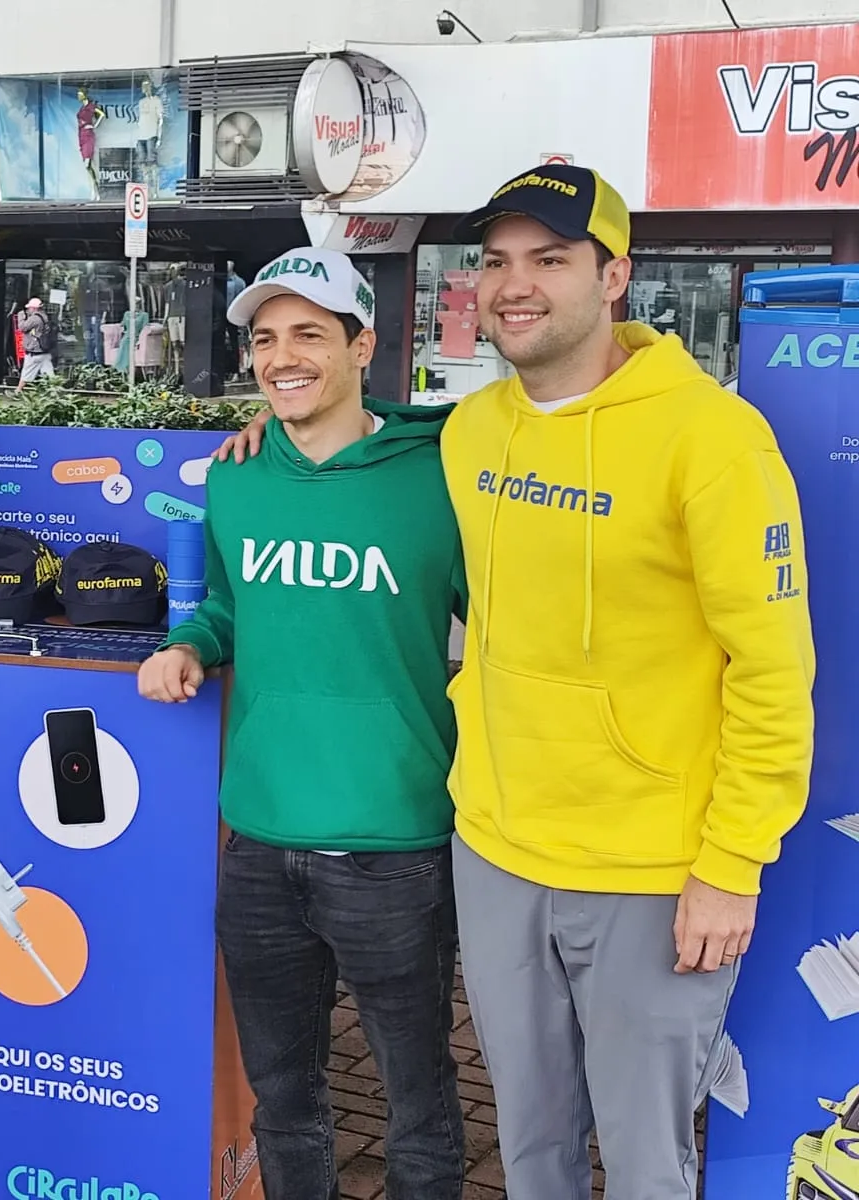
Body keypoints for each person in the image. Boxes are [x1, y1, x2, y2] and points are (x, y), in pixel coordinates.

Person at [216, 165, 816, 1199]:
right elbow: (363, 437)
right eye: (495, 261)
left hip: (647, 867)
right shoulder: (474, 428)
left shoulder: (712, 438)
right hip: (493, 850)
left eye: (549, 258)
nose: (514, 284)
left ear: (613, 275)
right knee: (530, 1148)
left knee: (644, 1160)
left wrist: (732, 861)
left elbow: (771, 671)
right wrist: (278, 431)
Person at [140, 247, 466, 1200]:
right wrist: (193, 644)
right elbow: (231, 606)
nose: (282, 357)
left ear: (363, 346)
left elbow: (505, 632)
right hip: (259, 842)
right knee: (283, 1100)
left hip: (396, 846)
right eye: (266, 338)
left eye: (310, 335)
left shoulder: (443, 478)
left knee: (418, 1105)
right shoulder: (236, 477)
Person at [16, 297, 54, 388]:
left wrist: (21, 316)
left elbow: (22, 327)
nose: (28, 310)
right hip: (44, 351)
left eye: (29, 308)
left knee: (26, 374)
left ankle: (17, 391)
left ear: (34, 308)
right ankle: (56, 391)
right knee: (50, 376)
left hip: (35, 351)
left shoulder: (35, 319)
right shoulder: (44, 316)